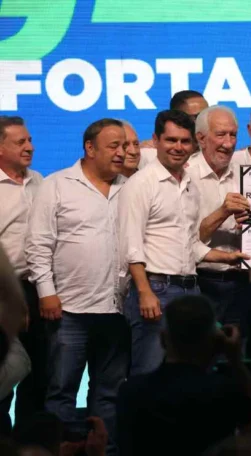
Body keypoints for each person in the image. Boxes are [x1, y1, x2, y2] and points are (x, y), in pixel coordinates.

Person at [26, 118, 131, 452]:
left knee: (109, 393)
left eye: (125, 146)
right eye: (114, 146)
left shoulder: (130, 187)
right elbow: (38, 245)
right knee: (61, 391)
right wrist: (46, 293)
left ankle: (105, 452)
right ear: (90, 148)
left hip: (117, 310)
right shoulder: (56, 185)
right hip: (68, 309)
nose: (122, 152)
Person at [119, 109, 249, 377]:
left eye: (184, 141)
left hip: (191, 288)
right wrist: (144, 292)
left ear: (193, 144)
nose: (178, 147)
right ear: (156, 140)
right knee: (149, 372)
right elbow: (131, 245)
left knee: (191, 371)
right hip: (156, 288)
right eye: (171, 140)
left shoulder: (189, 184)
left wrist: (226, 257)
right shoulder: (141, 183)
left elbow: (191, 243)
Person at [116, 295, 251, 456]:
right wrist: (235, 360)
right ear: (214, 342)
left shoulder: (131, 393)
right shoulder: (224, 393)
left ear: (163, 339)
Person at [0, 116, 45, 426]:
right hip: (5, 290)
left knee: (39, 372)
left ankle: (31, 441)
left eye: (29, 140)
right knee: (5, 370)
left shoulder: (40, 181)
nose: (29, 147)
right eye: (20, 142)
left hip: (38, 288)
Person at [188, 106, 251, 324]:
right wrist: (223, 212)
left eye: (233, 135)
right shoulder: (185, 175)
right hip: (200, 283)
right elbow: (185, 240)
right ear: (201, 138)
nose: (229, 143)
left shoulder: (245, 172)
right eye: (221, 134)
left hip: (241, 283)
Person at [138, 90, 209, 168]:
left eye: (206, 115)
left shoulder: (214, 151)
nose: (204, 121)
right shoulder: (149, 154)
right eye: (197, 117)